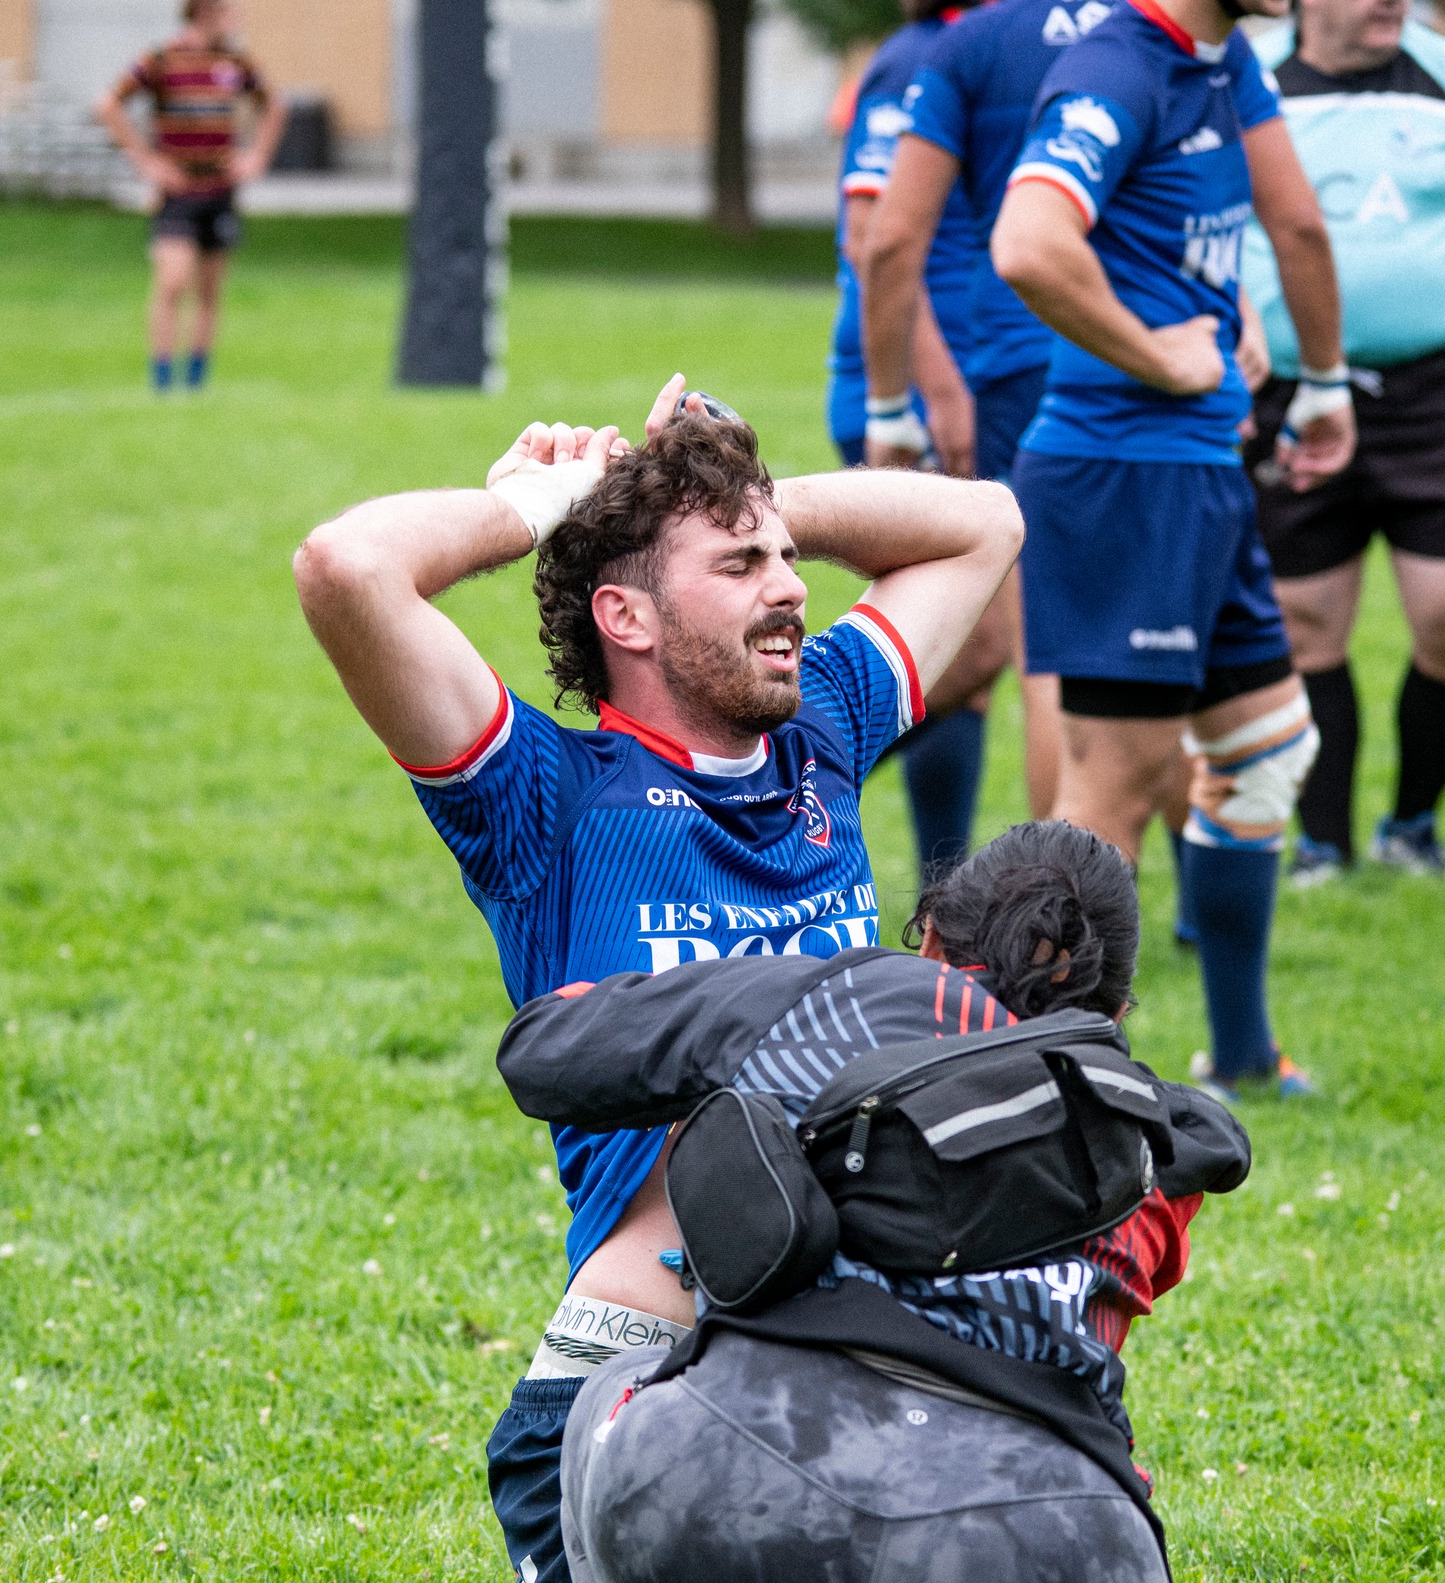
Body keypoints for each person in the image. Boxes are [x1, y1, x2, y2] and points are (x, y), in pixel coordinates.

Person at [291, 375, 1024, 1580]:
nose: (791, 587)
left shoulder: (821, 730)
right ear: (625, 617)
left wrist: (728, 481)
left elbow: (983, 522)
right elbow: (343, 566)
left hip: (863, 1348)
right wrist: (542, 504)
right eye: (740, 566)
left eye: (783, 557)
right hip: (646, 1373)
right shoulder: (541, 796)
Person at [491, 821, 1250, 1582]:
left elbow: (543, 1052)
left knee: (594, 1399)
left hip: (731, 1476)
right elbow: (1219, 1140)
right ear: (1113, 1019)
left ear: (930, 942)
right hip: (1063, 1531)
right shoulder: (1149, 1140)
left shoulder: (818, 996)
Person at [989, 0, 1354, 1097]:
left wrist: (1299, 362)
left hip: (1195, 471)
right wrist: (1161, 352)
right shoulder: (1118, 67)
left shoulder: (1221, 53)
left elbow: (1288, 222)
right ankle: (1027, 1073)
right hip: (1122, 475)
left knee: (1262, 750)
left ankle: (1237, 1051)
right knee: (1112, 793)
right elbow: (1026, 241)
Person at [1236, 0, 1445, 881]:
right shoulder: (1244, 71)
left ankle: (1414, 825)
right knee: (1305, 628)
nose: (1391, 2)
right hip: (1290, 396)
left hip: (1438, 395)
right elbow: (1202, 216)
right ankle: (1322, 842)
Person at [858, 0, 1126, 825]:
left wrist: (896, 399)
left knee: (1032, 646)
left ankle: (1082, 900)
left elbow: (889, 238)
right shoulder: (1157, 34)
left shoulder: (968, 43)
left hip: (1010, 368)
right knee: (1071, 643)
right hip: (1126, 360)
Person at [829, 0, 1009, 886]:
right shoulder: (916, 60)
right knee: (973, 642)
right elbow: (875, 241)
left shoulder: (973, 46)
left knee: (969, 665)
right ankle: (772, 796)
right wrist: (931, 391)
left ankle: (947, 883)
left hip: (967, 390)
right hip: (921, 399)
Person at [96, 0, 285, 393]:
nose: (236, 18)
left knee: (210, 290)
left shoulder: (235, 61)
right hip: (178, 191)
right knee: (172, 282)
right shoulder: (162, 59)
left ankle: (197, 379)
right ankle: (162, 378)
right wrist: (146, 161)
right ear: (204, 11)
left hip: (220, 190)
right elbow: (109, 103)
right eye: (229, 11)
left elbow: (274, 104)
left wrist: (257, 157)